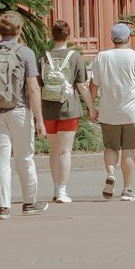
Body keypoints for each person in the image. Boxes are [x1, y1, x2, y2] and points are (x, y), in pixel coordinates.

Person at [0, 10, 48, 220]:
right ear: (19, 30)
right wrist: (39, 119)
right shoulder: (26, 53)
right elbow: (33, 89)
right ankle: (30, 202)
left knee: (1, 158)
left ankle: (3, 207)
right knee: (24, 157)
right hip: (19, 111)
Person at [88, 22, 135, 202]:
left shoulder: (101, 57)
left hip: (108, 112)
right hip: (132, 112)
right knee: (128, 150)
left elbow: (94, 85)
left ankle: (111, 173)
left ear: (112, 39)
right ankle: (127, 190)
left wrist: (91, 108)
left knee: (111, 147)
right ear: (128, 38)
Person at [38, 20, 92, 203]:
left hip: (47, 110)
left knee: (54, 150)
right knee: (65, 151)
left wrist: (36, 115)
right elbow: (82, 86)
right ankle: (62, 191)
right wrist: (92, 108)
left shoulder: (43, 57)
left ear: (52, 35)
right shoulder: (75, 57)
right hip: (69, 109)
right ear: (68, 36)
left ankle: (55, 188)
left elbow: (38, 87)